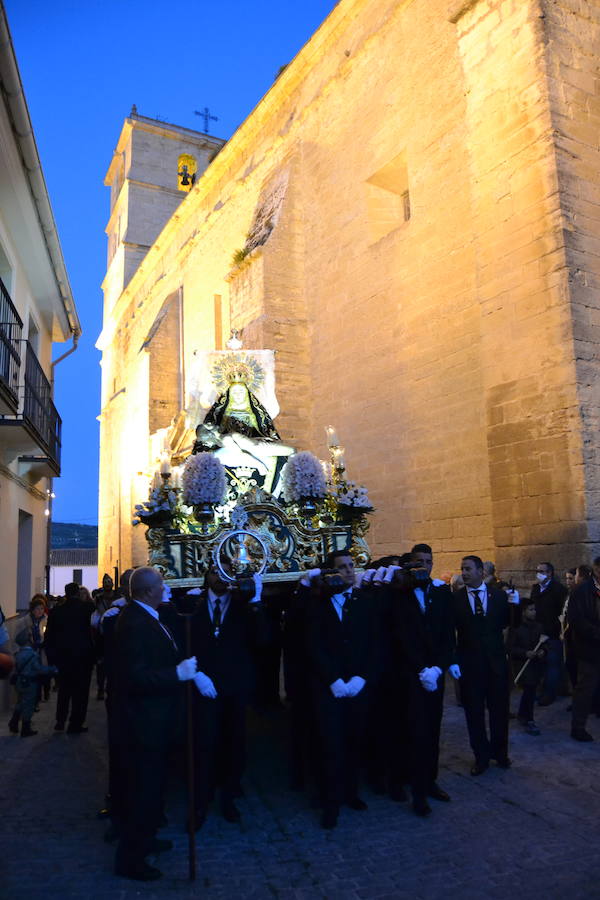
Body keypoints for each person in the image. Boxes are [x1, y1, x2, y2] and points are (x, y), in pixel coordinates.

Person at [163, 565, 268, 828]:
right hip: (203, 686)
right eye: (216, 570)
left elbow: (263, 641)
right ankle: (200, 801)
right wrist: (196, 674)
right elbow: (179, 641)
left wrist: (256, 602)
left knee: (235, 743)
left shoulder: (244, 606)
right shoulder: (190, 604)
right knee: (203, 744)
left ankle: (229, 796)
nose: (221, 576)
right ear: (207, 574)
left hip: (235, 686)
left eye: (229, 570)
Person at [112, 567, 197, 881]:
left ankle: (146, 840)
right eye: (161, 583)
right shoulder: (134, 622)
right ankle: (131, 859)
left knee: (153, 789)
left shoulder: (148, 616)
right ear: (148, 591)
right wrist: (176, 674)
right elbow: (135, 677)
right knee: (143, 792)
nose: (166, 587)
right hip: (144, 724)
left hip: (157, 721)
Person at [305, 550, 378, 829]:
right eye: (343, 568)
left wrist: (362, 677)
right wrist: (332, 679)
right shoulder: (317, 605)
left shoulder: (365, 602)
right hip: (329, 688)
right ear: (331, 573)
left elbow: (374, 643)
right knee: (331, 744)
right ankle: (330, 801)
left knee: (354, 740)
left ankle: (351, 792)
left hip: (357, 686)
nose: (349, 571)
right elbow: (314, 645)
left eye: (351, 566)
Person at [392, 550, 455, 816]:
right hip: (413, 676)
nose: (425, 567)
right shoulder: (399, 596)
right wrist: (421, 669)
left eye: (428, 563)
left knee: (433, 730)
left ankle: (431, 781)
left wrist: (438, 668)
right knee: (416, 733)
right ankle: (417, 793)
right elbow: (402, 636)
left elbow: (447, 634)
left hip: (436, 676)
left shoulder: (441, 594)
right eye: (419, 563)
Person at [452, 555, 510, 775]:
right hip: (470, 666)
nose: (464, 573)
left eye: (468, 569)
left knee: (499, 712)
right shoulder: (455, 599)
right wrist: (454, 661)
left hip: (496, 665)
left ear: (480, 572)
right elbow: (451, 631)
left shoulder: (499, 596)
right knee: (474, 714)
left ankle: (501, 753)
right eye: (462, 569)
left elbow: (507, 623)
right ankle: (481, 757)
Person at [44, 581, 95, 733]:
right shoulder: (86, 608)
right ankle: (75, 723)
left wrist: (52, 657)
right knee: (81, 692)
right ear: (77, 593)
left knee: (64, 690)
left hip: (63, 657)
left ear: (66, 593)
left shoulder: (57, 611)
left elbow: (49, 636)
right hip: (83, 657)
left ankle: (60, 720)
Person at [567, 556, 600, 742]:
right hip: (589, 649)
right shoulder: (581, 592)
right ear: (596, 569)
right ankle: (578, 727)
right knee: (585, 689)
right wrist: (596, 633)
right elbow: (577, 620)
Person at [506, 601, 547, 736]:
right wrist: (525, 653)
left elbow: (544, 645)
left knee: (531, 690)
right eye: (530, 609)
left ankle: (523, 715)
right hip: (521, 665)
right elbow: (510, 648)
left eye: (534, 609)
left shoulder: (539, 627)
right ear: (523, 612)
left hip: (535, 664)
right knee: (529, 689)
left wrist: (542, 651)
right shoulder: (516, 629)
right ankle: (529, 719)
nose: (534, 612)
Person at [530, 562, 567, 706]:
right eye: (537, 570)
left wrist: (552, 630)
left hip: (551, 634)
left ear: (550, 573)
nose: (539, 573)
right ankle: (541, 691)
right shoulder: (536, 588)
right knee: (540, 665)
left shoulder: (559, 590)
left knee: (552, 665)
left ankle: (550, 694)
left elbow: (561, 614)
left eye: (542, 571)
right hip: (537, 633)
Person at [8, 627, 57, 737]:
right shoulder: (33, 655)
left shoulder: (17, 654)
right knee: (29, 705)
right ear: (28, 641)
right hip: (30, 682)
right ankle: (26, 728)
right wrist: (52, 670)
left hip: (19, 682)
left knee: (20, 702)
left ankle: (14, 722)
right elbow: (38, 669)